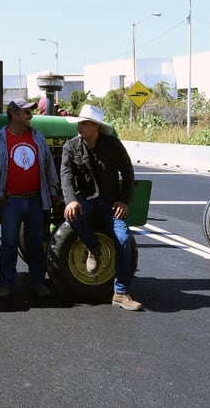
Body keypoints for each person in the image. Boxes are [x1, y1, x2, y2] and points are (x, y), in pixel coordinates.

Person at [61, 104, 142, 311]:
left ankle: (120, 293)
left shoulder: (113, 146)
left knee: (123, 239)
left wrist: (124, 200)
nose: (80, 126)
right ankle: (93, 246)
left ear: (96, 127)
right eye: (80, 123)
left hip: (110, 201)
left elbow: (128, 172)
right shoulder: (70, 147)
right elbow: (66, 177)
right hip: (85, 199)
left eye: (85, 123)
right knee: (72, 215)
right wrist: (71, 200)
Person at [0, 99, 59, 298]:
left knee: (36, 242)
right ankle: (6, 284)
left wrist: (52, 191)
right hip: (10, 201)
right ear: (14, 114)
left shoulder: (37, 137)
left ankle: (38, 282)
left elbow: (48, 164)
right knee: (8, 244)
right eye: (26, 113)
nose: (30, 116)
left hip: (35, 199)